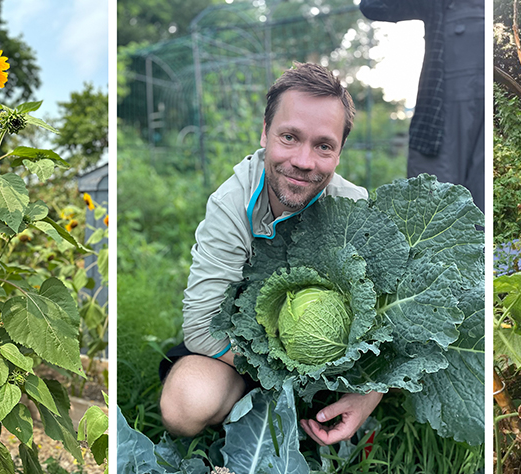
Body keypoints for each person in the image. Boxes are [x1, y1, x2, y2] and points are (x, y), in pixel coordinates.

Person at [158, 62, 381, 445]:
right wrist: (281, 368)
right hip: (239, 351)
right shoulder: (232, 204)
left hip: (333, 364)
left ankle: (293, 411)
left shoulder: (352, 208)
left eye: (323, 145)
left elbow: (391, 322)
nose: (304, 161)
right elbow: (201, 326)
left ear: (339, 153)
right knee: (185, 404)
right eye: (290, 137)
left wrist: (368, 396)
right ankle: (264, 404)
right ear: (264, 133)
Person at [359, 0, 485, 211]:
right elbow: (373, 5)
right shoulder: (437, 4)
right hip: (438, 120)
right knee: (431, 211)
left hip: (488, 110)